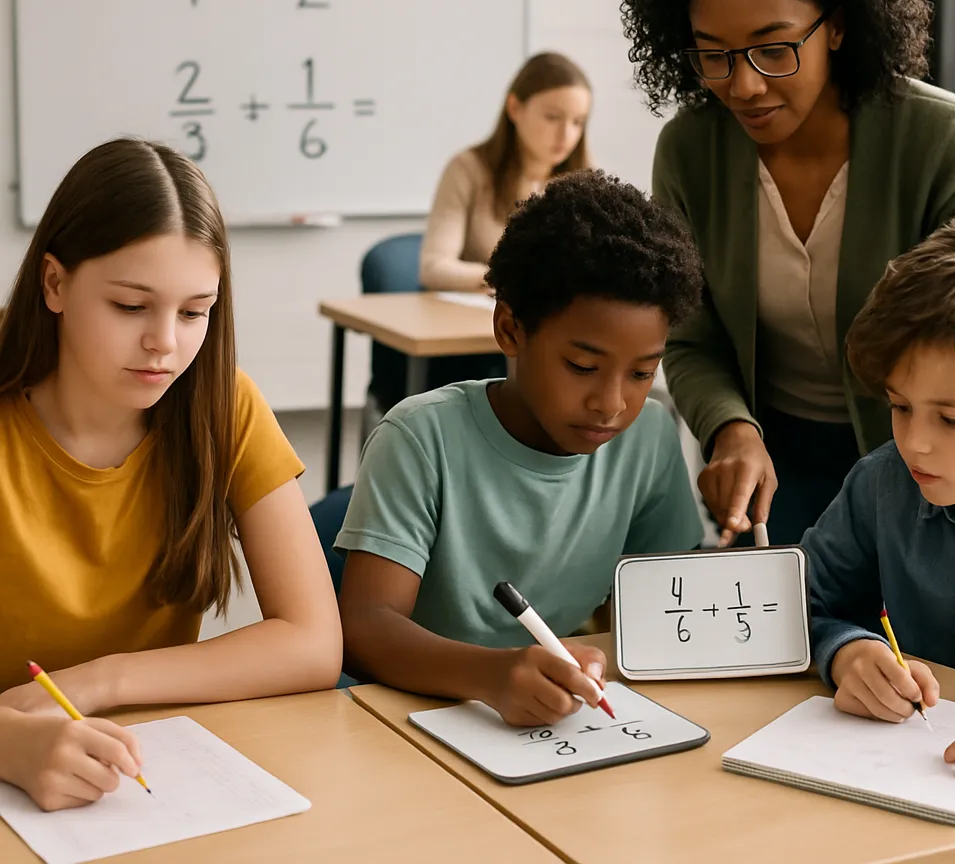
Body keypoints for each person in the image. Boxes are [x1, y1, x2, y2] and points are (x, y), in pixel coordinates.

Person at [621, 0, 955, 547]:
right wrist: (730, 429)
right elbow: (691, 335)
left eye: (773, 50)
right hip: (773, 462)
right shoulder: (690, 149)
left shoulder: (941, 136)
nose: (743, 85)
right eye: (713, 57)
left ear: (834, 26)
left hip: (924, 455)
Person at [0, 139, 342, 811]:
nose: (166, 341)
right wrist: (10, 744)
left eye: (194, 312)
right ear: (55, 283)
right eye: (131, 307)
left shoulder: (223, 404)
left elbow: (313, 644)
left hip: (130, 774)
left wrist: (100, 684)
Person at [337, 171, 704, 726]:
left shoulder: (649, 436)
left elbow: (660, 612)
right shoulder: (419, 438)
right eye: (582, 367)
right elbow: (366, 625)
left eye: (642, 373)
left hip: (558, 718)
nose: (610, 403)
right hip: (418, 717)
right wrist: (492, 673)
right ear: (510, 330)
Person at [802, 214, 955, 785]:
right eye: (900, 407)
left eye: (952, 418)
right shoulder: (883, 484)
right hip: (897, 791)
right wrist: (846, 651)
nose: (914, 442)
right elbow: (796, 602)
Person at [420, 51, 592, 293]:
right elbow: (434, 268)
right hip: (479, 320)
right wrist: (507, 279)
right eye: (552, 117)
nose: (567, 135)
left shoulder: (585, 182)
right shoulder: (467, 169)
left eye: (578, 122)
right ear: (514, 108)